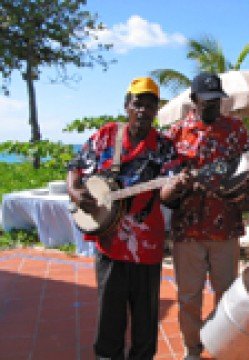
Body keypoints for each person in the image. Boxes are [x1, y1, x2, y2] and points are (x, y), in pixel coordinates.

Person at [67, 77, 190, 360]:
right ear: (127, 106)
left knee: (146, 320)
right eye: (138, 104)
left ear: (156, 111)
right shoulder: (106, 136)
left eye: (151, 105)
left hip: (146, 247)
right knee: (110, 316)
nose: (144, 110)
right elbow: (75, 167)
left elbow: (169, 195)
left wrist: (175, 187)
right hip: (109, 245)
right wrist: (76, 191)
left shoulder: (164, 146)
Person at [166, 72, 249, 360]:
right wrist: (175, 185)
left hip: (225, 226)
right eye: (207, 102)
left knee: (227, 296)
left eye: (217, 101)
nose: (214, 107)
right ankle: (192, 348)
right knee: (189, 297)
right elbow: (165, 182)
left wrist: (240, 188)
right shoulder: (175, 134)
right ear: (193, 100)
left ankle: (220, 345)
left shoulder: (236, 130)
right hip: (188, 230)